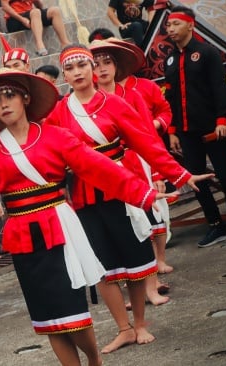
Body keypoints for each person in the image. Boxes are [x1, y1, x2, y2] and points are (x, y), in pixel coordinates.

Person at [0, 68, 179, 366]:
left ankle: (94, 360)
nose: (4, 103)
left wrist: (145, 193)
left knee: (72, 310)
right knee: (47, 317)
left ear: (25, 98)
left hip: (59, 227)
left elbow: (100, 167)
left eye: (10, 95)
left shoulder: (54, 136)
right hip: (22, 235)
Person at [45, 44, 212, 354]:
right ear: (64, 74)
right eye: (71, 68)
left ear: (92, 68)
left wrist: (181, 175)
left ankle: (140, 325)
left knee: (135, 261)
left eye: (83, 65)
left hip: (121, 187)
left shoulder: (114, 103)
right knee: (102, 267)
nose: (78, 72)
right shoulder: (57, 113)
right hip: (83, 195)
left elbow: (147, 143)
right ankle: (123, 328)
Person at [89, 39, 169, 306]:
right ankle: (128, 289)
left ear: (116, 66)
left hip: (135, 168)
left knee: (144, 226)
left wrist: (157, 175)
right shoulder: (82, 104)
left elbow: (150, 139)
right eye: (96, 64)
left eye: (107, 62)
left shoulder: (132, 95)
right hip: (102, 176)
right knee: (118, 231)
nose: (101, 69)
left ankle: (151, 286)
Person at [164, 5, 226, 247]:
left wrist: (222, 119)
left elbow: (219, 87)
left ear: (190, 24)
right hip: (185, 131)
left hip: (212, 127)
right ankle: (215, 225)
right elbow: (169, 98)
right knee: (196, 180)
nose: (170, 28)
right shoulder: (169, 59)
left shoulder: (207, 52)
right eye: (168, 25)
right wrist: (172, 131)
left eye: (175, 24)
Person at [0, 0, 70, 56]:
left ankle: (65, 44)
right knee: (35, 12)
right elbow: (5, 7)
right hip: (14, 19)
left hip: (31, 14)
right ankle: (40, 46)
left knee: (55, 10)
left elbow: (39, 6)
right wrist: (22, 19)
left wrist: (42, 13)